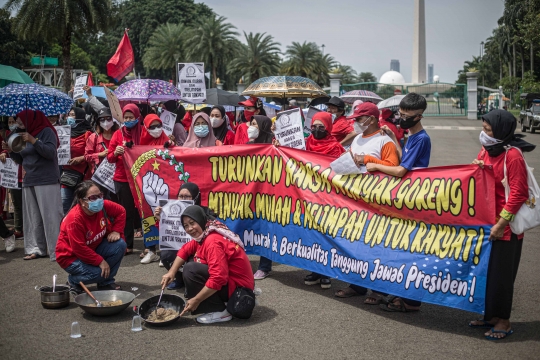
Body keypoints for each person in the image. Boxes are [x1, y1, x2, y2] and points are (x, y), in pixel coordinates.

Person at [468, 110, 534, 340]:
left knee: (502, 276)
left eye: (487, 130)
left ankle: (503, 321)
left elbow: (518, 193)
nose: (483, 134)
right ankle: (490, 315)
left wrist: (501, 223)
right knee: (487, 273)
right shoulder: (488, 149)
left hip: (506, 226)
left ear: (501, 130)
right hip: (487, 221)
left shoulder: (512, 155)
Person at [365, 93, 430, 312]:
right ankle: (402, 295)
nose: (401, 118)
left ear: (418, 116)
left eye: (406, 115)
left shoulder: (422, 138)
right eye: (400, 114)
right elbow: (404, 160)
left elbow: (402, 170)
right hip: (406, 197)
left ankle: (411, 301)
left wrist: (376, 166)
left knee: (409, 250)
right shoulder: (412, 136)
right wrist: (394, 138)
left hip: (414, 199)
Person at [334, 102, 400, 300]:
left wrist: (368, 160)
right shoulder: (357, 139)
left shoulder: (384, 141)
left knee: (376, 246)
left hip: (377, 202)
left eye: (359, 119)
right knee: (356, 244)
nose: (356, 123)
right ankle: (357, 285)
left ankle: (379, 290)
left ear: (371, 119)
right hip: (355, 200)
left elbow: (394, 167)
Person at [161, 205, 254, 324]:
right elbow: (185, 250)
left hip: (239, 289)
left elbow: (218, 277)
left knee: (191, 269)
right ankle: (218, 302)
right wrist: (171, 272)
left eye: (192, 223)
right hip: (233, 282)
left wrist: (196, 300)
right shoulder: (206, 233)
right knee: (190, 260)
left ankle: (220, 311)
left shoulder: (212, 241)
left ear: (201, 219)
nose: (190, 228)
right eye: (186, 226)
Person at [6, 110, 62, 261]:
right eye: (17, 122)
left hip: (46, 179)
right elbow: (20, 158)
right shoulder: (22, 134)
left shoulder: (46, 131)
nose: (18, 125)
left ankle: (57, 249)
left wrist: (33, 140)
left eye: (20, 121)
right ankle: (37, 248)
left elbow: (50, 152)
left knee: (50, 216)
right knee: (33, 217)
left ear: (29, 119)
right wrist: (11, 151)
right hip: (29, 179)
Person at [299, 112, 348, 289]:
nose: (317, 130)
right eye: (314, 126)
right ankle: (315, 270)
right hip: (308, 195)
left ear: (328, 127)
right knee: (311, 235)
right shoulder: (305, 143)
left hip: (327, 198)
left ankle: (326, 272)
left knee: (325, 236)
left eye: (321, 127)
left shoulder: (335, 147)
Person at [56, 181, 127, 294]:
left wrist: (116, 231)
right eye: (93, 197)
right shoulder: (74, 220)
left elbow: (121, 211)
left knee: (120, 245)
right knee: (98, 274)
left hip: (92, 248)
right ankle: (73, 281)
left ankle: (105, 282)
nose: (99, 200)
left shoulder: (103, 206)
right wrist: (100, 261)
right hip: (71, 257)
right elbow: (79, 249)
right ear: (82, 202)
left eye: (100, 195)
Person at [154, 182, 216, 290]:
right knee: (166, 255)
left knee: (192, 264)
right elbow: (168, 234)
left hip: (197, 247)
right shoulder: (171, 209)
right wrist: (162, 219)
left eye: (187, 196)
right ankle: (179, 280)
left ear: (195, 197)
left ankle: (193, 282)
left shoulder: (205, 213)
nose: (183, 199)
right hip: (179, 246)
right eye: (180, 196)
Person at [107, 104, 143, 255]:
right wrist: (115, 152)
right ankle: (127, 244)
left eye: (131, 117)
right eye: (126, 117)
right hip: (122, 179)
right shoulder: (118, 134)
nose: (128, 120)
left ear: (137, 117)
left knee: (144, 212)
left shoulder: (144, 133)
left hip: (141, 178)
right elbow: (109, 158)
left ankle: (150, 245)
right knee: (126, 212)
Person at [61, 107, 92, 214]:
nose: (70, 117)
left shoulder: (87, 134)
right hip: (66, 176)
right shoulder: (63, 133)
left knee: (82, 207)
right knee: (65, 204)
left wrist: (82, 158)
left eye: (73, 115)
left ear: (80, 117)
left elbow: (92, 153)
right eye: (69, 114)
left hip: (82, 177)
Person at [1, 116, 23, 239]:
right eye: (9, 122)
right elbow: (7, 152)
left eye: (13, 121)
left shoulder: (26, 135)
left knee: (27, 205)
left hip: (26, 175)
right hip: (14, 176)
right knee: (17, 204)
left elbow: (23, 153)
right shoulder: (9, 136)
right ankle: (19, 229)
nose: (12, 124)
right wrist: (4, 153)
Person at [85, 108, 119, 175]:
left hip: (116, 172)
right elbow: (87, 156)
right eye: (102, 119)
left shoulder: (119, 135)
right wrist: (100, 154)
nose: (106, 122)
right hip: (100, 174)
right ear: (99, 122)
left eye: (108, 118)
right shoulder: (93, 137)